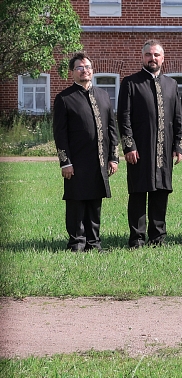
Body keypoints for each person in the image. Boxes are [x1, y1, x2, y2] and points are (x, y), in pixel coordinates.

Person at [118, 39, 182, 247]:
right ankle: (137, 238)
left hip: (164, 148)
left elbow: (178, 118)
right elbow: (124, 117)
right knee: (138, 192)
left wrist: (179, 146)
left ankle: (158, 237)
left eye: (156, 55)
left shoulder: (172, 84)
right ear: (142, 57)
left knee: (161, 192)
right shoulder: (130, 83)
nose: (152, 58)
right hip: (140, 149)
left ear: (163, 58)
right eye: (148, 54)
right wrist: (129, 146)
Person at [53, 52, 119, 251]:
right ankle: (76, 243)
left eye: (88, 67)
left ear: (92, 70)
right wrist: (65, 162)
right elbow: (60, 134)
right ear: (72, 72)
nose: (84, 71)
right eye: (80, 68)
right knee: (76, 202)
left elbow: (111, 129)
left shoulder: (103, 95)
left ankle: (93, 242)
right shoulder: (64, 98)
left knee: (95, 203)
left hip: (99, 161)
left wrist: (113, 157)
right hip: (76, 162)